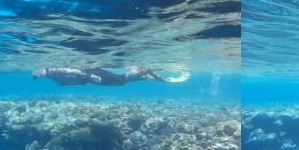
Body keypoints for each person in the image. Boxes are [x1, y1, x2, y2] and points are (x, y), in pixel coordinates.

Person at [32, 66, 189, 86]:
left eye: (37, 74)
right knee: (121, 82)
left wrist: (91, 77)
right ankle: (147, 76)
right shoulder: (52, 77)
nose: (38, 76)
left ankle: (147, 69)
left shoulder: (53, 71)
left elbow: (74, 71)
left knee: (121, 79)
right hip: (91, 79)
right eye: (36, 76)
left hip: (93, 74)